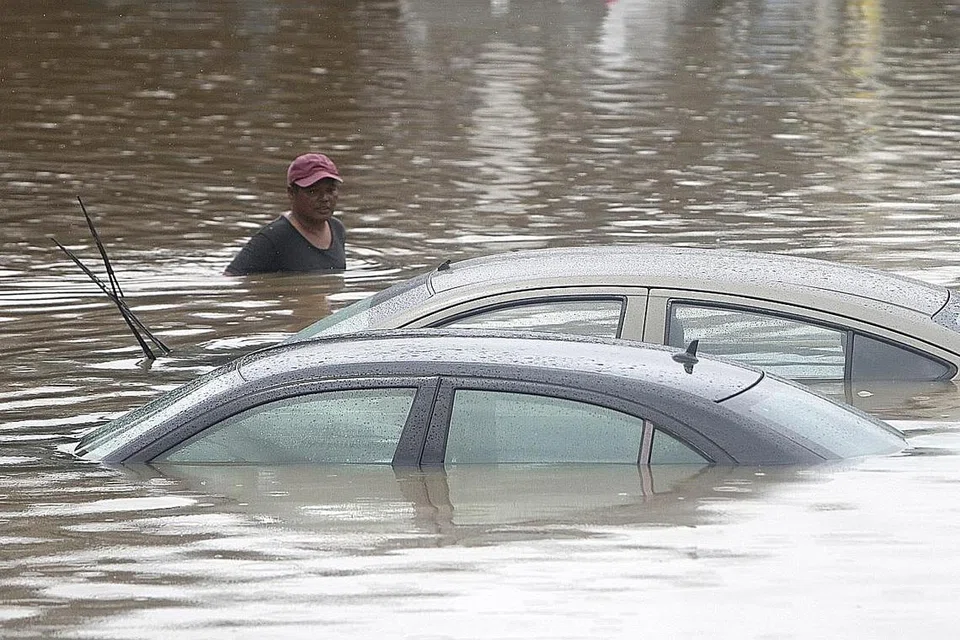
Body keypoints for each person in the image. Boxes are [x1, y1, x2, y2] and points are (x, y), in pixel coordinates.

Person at [224, 153, 346, 275]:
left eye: (330, 190)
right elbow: (232, 277)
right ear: (291, 193)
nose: (324, 198)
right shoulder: (275, 237)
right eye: (313, 191)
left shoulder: (337, 229)